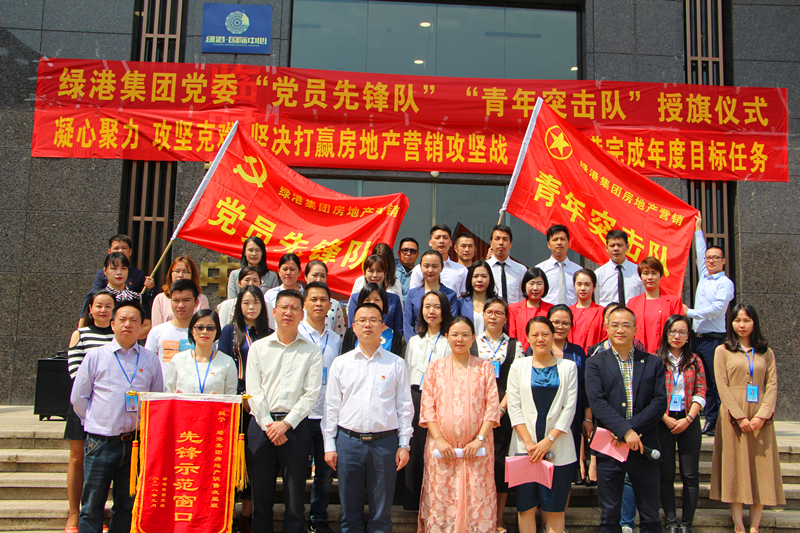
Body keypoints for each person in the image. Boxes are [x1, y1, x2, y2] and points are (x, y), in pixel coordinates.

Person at [70, 300, 163, 533]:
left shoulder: (150, 359)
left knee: (127, 505)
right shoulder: (95, 356)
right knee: (92, 505)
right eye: (122, 319)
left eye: (134, 320)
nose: (127, 324)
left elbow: (156, 399)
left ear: (142, 326)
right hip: (100, 442)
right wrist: (93, 422)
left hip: (135, 444)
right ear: (112, 325)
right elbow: (79, 398)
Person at [323, 303, 413, 533]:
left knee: (381, 515)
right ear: (353, 327)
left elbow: (404, 407)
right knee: (349, 514)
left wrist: (404, 444)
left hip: (384, 444)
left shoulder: (396, 363)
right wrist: (329, 445)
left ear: (383, 326)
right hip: (348, 443)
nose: (367, 325)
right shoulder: (341, 363)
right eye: (362, 320)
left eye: (373, 320)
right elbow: (331, 407)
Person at [245, 289, 323, 533]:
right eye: (284, 308)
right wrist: (269, 424)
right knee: (261, 501)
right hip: (261, 428)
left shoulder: (312, 351)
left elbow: (310, 394)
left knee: (294, 502)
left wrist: (286, 424)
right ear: (274, 312)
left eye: (294, 308)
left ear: (302, 314)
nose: (289, 312)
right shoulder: (258, 348)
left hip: (295, 429)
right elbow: (253, 391)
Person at [585, 306, 667, 533]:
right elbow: (597, 403)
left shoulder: (653, 362)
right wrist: (625, 431)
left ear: (635, 329)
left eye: (625, 325)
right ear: (607, 328)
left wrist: (632, 430)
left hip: (644, 444)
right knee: (609, 515)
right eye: (615, 325)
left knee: (650, 515)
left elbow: (659, 402)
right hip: (610, 447)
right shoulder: (595, 363)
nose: (620, 330)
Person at [418, 317, 500, 532]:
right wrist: (439, 440)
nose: (460, 339)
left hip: (477, 450)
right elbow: (427, 407)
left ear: (473, 338)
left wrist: (479, 439)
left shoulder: (485, 367)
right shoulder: (434, 368)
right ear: (447, 337)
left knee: (477, 498)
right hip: (441, 449)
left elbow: (492, 406)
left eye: (465, 335)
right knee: (441, 501)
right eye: (455, 335)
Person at [710, 303, 785, 533]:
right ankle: (739, 524)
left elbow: (772, 386)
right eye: (737, 320)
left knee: (760, 468)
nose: (741, 325)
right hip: (733, 417)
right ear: (730, 323)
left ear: (754, 322)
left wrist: (762, 416)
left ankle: (755, 526)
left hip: (760, 418)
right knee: (735, 467)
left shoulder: (766, 352)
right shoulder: (722, 350)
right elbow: (722, 386)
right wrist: (740, 417)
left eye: (746, 320)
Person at [507, 316, 579, 533]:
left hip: (558, 447)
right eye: (535, 335)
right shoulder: (518, 366)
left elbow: (569, 409)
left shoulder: (568, 367)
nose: (540, 339)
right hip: (524, 449)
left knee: (555, 509)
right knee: (526, 508)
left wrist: (548, 441)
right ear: (527, 338)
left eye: (545, 334)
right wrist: (529, 443)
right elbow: (514, 407)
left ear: (553, 336)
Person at [217, 285, 273, 533]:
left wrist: (256, 399)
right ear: (238, 306)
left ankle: (247, 517)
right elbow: (223, 366)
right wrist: (240, 397)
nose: (251, 307)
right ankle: (226, 515)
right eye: (246, 303)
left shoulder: (270, 334)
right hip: (234, 402)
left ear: (263, 307)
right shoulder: (229, 332)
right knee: (231, 459)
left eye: (256, 303)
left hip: (261, 404)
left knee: (254, 461)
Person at [64, 290, 116, 532]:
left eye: (108, 306)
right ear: (90, 309)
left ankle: (96, 513)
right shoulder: (81, 334)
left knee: (103, 462)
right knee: (78, 458)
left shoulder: (119, 336)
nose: (103, 310)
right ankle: (74, 513)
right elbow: (75, 372)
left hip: (110, 409)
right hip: (83, 404)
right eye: (99, 306)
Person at [471, 297, 524, 533]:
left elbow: (516, 382)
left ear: (506, 318)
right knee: (478, 462)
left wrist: (500, 409)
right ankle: (478, 516)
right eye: (489, 312)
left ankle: (498, 518)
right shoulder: (473, 343)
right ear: (483, 315)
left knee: (500, 465)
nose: (493, 316)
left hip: (504, 412)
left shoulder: (515, 345)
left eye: (499, 312)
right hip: (476, 412)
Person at [401, 290, 454, 511]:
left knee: (436, 448)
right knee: (415, 448)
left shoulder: (450, 340)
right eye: (427, 307)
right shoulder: (414, 341)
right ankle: (412, 501)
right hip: (415, 397)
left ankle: (437, 501)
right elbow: (406, 372)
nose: (431, 311)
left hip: (441, 399)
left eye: (437, 307)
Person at [683, 214, 735, 438]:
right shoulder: (704, 276)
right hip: (697, 338)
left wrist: (689, 313)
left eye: (715, 258)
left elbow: (716, 309)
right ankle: (708, 420)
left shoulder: (725, 283)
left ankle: (719, 421)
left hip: (714, 339)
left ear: (723, 261)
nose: (710, 261)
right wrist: (698, 229)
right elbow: (699, 251)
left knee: (715, 382)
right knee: (700, 381)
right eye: (708, 258)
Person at [298, 282, 343, 533]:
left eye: (323, 300)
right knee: (295, 471)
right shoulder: (296, 334)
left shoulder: (336, 339)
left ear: (330, 306)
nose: (318, 304)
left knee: (325, 474)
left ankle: (318, 519)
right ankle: (295, 517)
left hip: (327, 415)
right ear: (304, 303)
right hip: (300, 415)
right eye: (313, 299)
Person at [657, 315, 706, 533]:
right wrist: (664, 417)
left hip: (689, 419)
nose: (677, 336)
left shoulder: (695, 360)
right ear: (666, 334)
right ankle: (671, 522)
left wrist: (689, 419)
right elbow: (651, 394)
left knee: (690, 474)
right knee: (666, 473)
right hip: (663, 420)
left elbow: (701, 391)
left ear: (688, 336)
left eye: (682, 332)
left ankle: (687, 524)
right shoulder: (656, 360)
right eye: (672, 331)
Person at [547, 304, 592, 486]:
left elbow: (585, 386)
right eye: (556, 322)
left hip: (572, 415)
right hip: (544, 413)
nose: (560, 326)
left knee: (566, 468)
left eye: (565, 323)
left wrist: (587, 418)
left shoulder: (578, 352)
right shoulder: (537, 349)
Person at [165, 309, 237, 394]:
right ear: (192, 331)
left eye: (210, 328)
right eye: (199, 328)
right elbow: (168, 393)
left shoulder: (227, 362)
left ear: (216, 331)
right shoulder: (178, 360)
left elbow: (231, 397)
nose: (205, 332)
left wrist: (218, 400)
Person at [82, 252, 153, 338]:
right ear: (105, 271)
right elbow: (83, 323)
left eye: (123, 268)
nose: (119, 272)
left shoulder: (138, 298)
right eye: (114, 268)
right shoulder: (97, 297)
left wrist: (125, 338)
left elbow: (146, 326)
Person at [627, 257, 683, 354]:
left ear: (661, 276)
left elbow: (680, 329)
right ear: (640, 277)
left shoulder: (674, 302)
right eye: (646, 273)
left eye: (654, 273)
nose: (650, 277)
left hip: (666, 354)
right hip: (640, 354)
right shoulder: (632, 303)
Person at [144, 279, 199, 377]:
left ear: (196, 303)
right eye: (175, 300)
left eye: (186, 300)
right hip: (164, 387)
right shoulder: (157, 332)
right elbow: (147, 365)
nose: (180, 305)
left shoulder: (203, 333)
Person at [403, 250, 460, 341]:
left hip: (442, 342)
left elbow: (451, 323)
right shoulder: (412, 294)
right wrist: (413, 343)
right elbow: (407, 324)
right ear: (420, 267)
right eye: (426, 266)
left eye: (435, 266)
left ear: (442, 268)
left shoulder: (450, 295)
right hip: (417, 342)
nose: (430, 270)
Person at [341, 283, 405, 356]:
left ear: (384, 303)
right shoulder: (351, 334)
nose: (372, 303)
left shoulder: (394, 336)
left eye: (376, 299)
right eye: (367, 300)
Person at [347, 255, 404, 333]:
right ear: (364, 273)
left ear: (385, 273)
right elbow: (352, 327)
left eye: (379, 271)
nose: (375, 275)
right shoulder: (355, 298)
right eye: (371, 271)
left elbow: (398, 329)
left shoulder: (394, 299)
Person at [150, 255, 209, 327]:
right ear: (171, 274)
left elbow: (203, 326)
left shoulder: (201, 299)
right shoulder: (160, 299)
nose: (180, 275)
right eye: (177, 271)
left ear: (192, 275)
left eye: (185, 271)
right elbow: (157, 328)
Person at [409, 224, 468, 295]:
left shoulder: (461, 270)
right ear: (430, 242)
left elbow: (464, 297)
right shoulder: (418, 269)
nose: (441, 241)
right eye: (437, 238)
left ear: (450, 243)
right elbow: (414, 296)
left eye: (445, 238)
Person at [90, 234, 155, 294]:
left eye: (124, 248)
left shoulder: (138, 274)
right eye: (116, 248)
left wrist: (150, 288)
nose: (120, 251)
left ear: (130, 251)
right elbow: (95, 295)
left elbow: (145, 299)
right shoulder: (100, 275)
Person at [595, 230, 645, 307]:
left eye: (620, 245)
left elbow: (643, 298)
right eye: (612, 245)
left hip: (633, 314)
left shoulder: (638, 271)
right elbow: (596, 302)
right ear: (606, 248)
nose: (616, 249)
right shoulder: (599, 274)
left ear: (627, 247)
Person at [508, 267, 553, 352]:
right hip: (520, 354)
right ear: (525, 286)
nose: (535, 288)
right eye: (531, 283)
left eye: (539, 284)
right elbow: (512, 336)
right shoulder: (513, 309)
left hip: (545, 353)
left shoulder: (551, 309)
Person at [536, 224, 581, 306]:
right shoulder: (539, 270)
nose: (559, 243)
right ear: (548, 244)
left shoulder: (579, 271)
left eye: (562, 239)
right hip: (547, 312)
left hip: (572, 313)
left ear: (569, 243)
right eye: (555, 239)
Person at [486, 224, 527, 304]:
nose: (501, 243)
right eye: (497, 239)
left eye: (505, 239)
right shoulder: (484, 268)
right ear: (491, 243)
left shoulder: (521, 270)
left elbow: (523, 298)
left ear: (510, 244)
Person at [304, 260, 346, 337]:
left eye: (322, 276)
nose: (318, 279)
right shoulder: (297, 302)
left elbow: (340, 334)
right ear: (306, 276)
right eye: (315, 275)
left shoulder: (334, 304)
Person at [569, 269, 606, 352]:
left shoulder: (602, 312)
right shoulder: (568, 311)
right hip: (570, 356)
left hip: (594, 356)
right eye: (579, 284)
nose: (582, 288)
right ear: (574, 286)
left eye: (587, 284)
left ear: (594, 287)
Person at [264, 253, 304, 329]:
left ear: (299, 272)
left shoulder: (306, 295)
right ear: (279, 271)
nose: (288, 273)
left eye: (292, 269)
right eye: (285, 269)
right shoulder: (270, 294)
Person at [458, 259, 496, 336]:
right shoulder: (460, 303)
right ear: (470, 279)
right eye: (475, 276)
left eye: (484, 276)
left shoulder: (496, 304)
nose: (479, 280)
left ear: (490, 279)